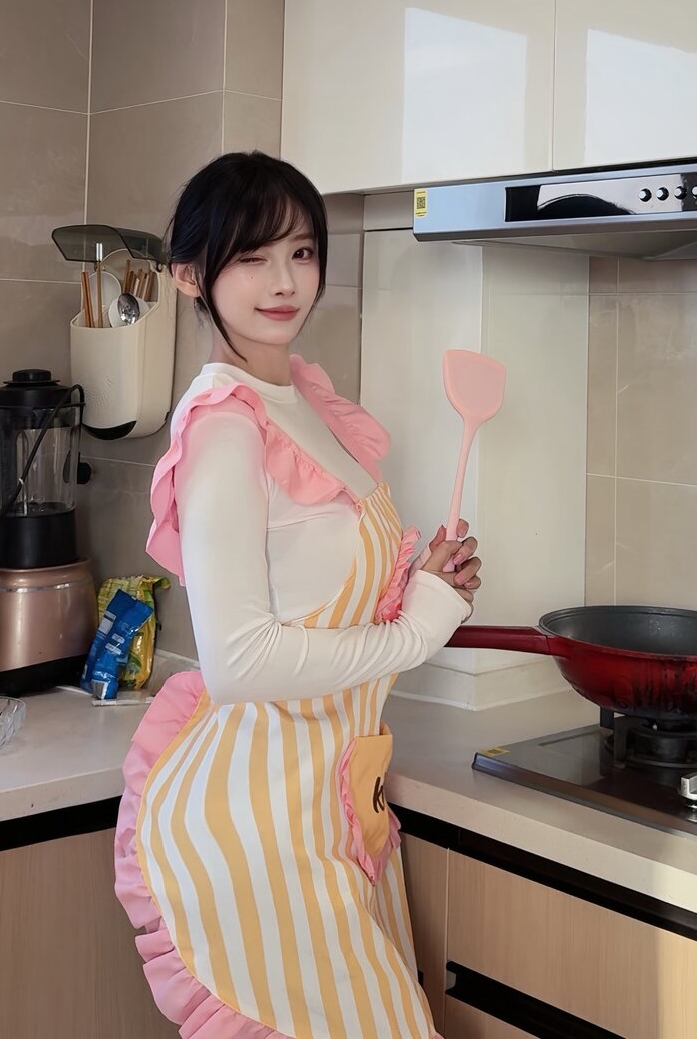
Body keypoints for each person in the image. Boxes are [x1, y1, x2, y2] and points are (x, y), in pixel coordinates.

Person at [114, 151, 482, 1039]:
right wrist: (418, 632)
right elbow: (241, 664)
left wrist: (420, 582)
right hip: (255, 820)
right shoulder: (225, 428)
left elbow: (315, 588)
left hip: (332, 807)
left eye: (303, 253)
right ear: (191, 275)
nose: (285, 282)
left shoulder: (300, 397)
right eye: (252, 258)